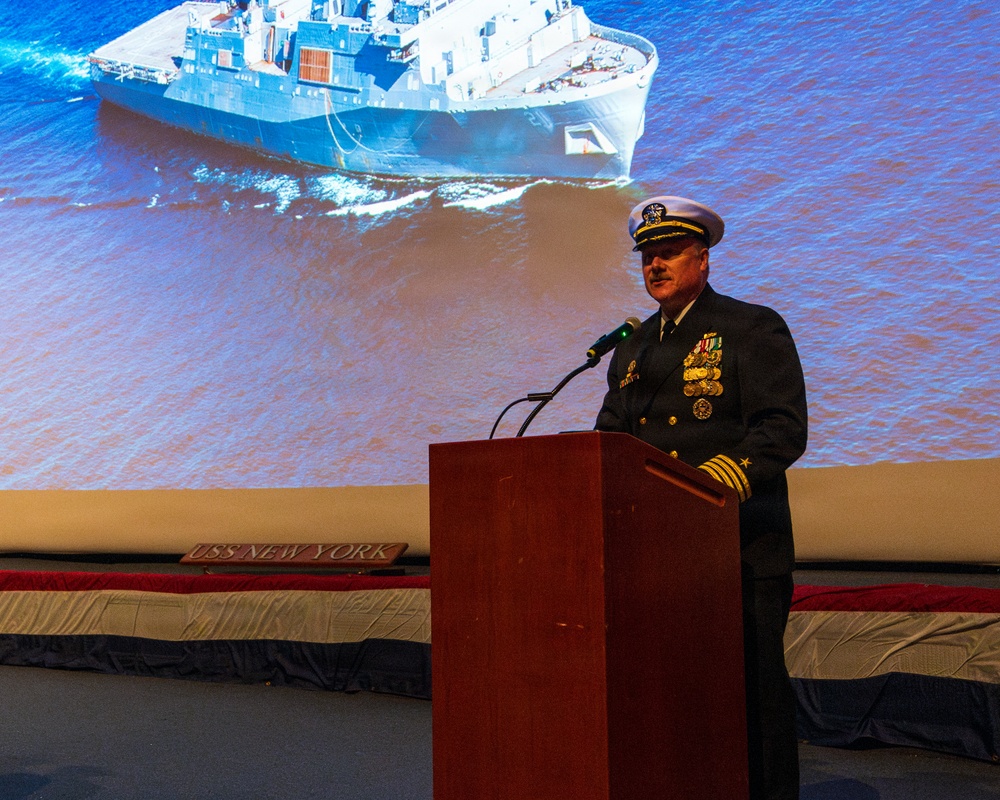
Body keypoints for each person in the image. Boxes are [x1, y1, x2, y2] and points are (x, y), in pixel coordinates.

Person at [595, 195, 808, 800]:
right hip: (658, 554)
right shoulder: (632, 349)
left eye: (669, 254)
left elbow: (781, 429)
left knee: (751, 691)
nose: (655, 266)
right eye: (647, 258)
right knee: (675, 696)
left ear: (703, 259)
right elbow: (611, 438)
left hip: (737, 545)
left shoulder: (749, 326)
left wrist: (707, 486)